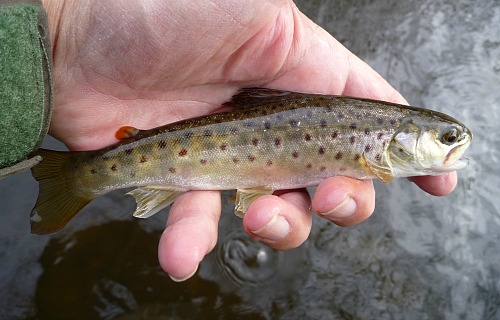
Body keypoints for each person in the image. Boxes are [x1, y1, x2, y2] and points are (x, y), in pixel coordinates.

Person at [41, 0, 457, 281]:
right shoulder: (375, 133)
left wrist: (62, 26)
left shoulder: (375, 128)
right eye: (447, 138)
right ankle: (78, 177)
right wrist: (64, 27)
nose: (454, 144)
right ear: (405, 138)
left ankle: (79, 175)